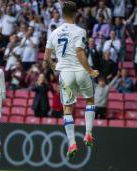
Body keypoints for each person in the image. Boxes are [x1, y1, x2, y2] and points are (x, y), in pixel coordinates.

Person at [44, 1, 99, 158]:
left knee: (67, 109)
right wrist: (90, 71)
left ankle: (72, 143)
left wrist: (55, 67)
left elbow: (46, 58)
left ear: (62, 14)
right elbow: (80, 52)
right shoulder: (80, 31)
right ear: (75, 13)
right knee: (90, 100)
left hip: (66, 74)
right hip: (81, 71)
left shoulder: (54, 33)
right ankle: (88, 133)